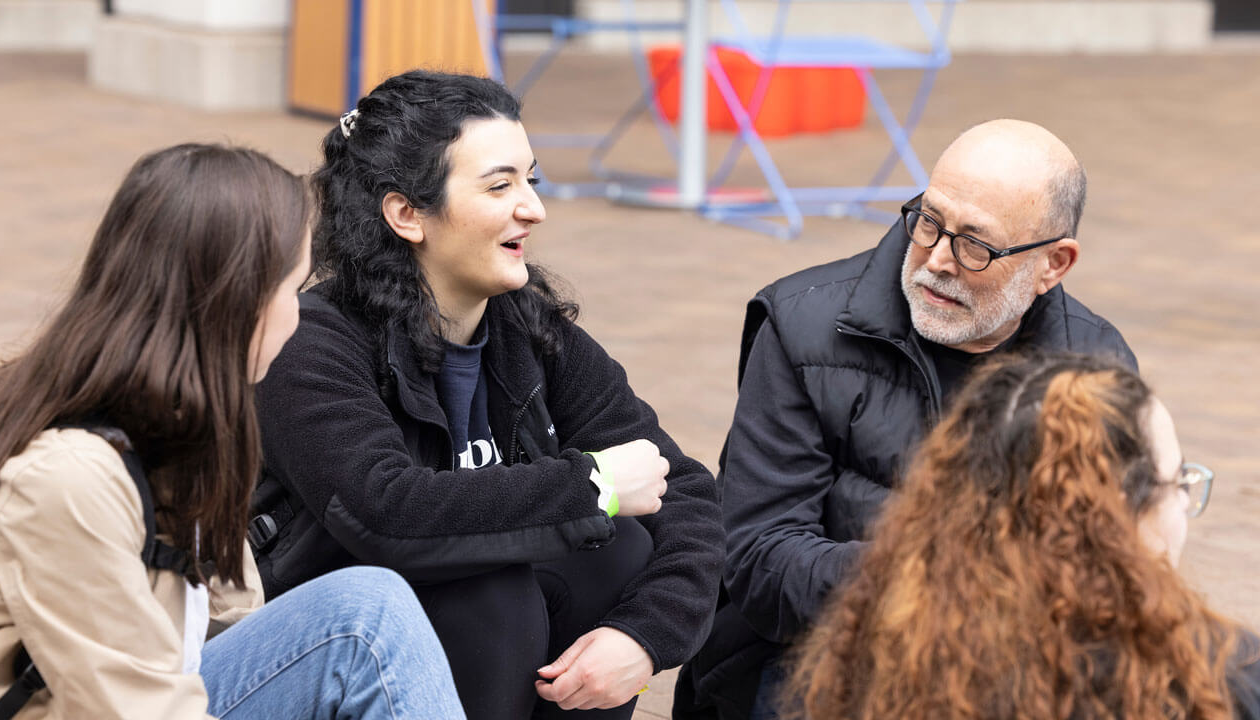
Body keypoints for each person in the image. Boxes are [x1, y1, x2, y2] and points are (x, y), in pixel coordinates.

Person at [249, 70, 724, 720]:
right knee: (494, 589)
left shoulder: (529, 331)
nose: (533, 207)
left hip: (489, 653)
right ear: (407, 214)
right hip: (327, 663)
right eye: (501, 185)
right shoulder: (311, 343)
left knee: (617, 556)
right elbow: (384, 512)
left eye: (532, 179)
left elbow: (689, 496)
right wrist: (593, 486)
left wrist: (643, 638)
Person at [674, 119, 1138, 719]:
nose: (938, 260)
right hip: (809, 653)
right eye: (930, 220)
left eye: (977, 245)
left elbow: (1101, 572)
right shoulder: (802, 328)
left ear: (1054, 264)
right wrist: (950, 578)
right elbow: (760, 562)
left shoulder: (1096, 368)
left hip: (1009, 665)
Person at [0, 144, 464, 719]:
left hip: (169, 692)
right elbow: (132, 710)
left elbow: (234, 622)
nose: (300, 314)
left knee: (368, 609)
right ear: (239, 302)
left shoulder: (187, 424)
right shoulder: (64, 478)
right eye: (294, 289)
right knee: (367, 619)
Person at [787, 351, 1260, 719]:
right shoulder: (1217, 675)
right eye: (1176, 482)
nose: (1182, 502)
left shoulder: (891, 651)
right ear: (1114, 519)